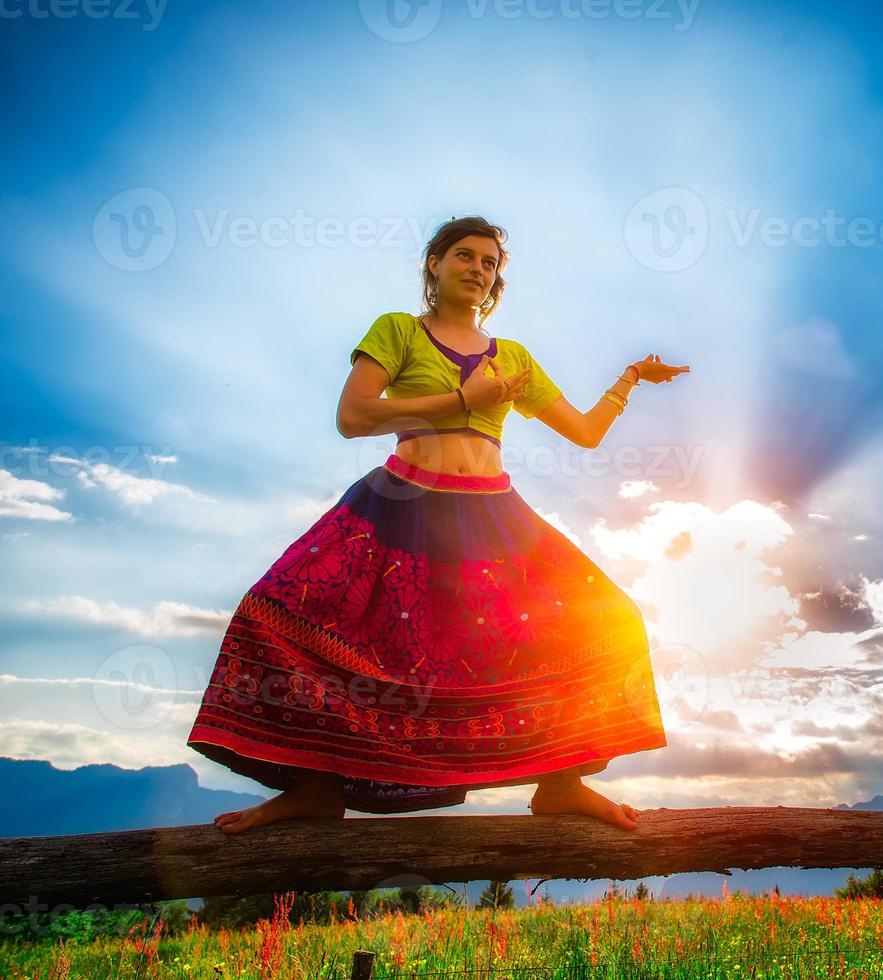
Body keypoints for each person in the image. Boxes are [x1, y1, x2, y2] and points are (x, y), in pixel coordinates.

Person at [187, 215, 691, 834]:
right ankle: (315, 788)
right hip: (399, 506)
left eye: (488, 263)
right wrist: (463, 402)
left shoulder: (514, 360)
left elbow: (584, 432)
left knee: (601, 618)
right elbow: (353, 416)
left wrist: (630, 379)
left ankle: (562, 784)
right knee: (293, 616)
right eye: (464, 256)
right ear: (434, 263)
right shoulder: (398, 330)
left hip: (492, 516)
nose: (478, 270)